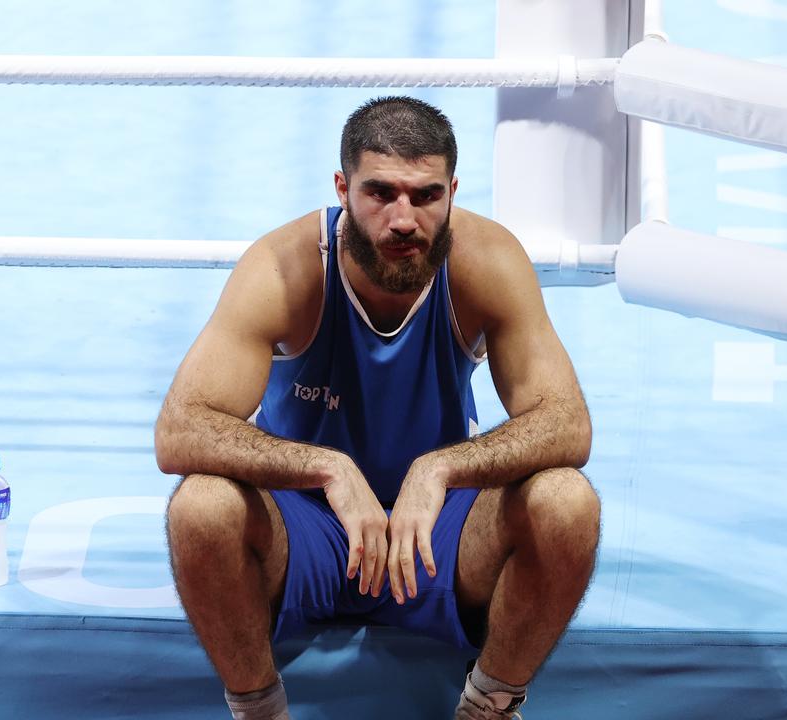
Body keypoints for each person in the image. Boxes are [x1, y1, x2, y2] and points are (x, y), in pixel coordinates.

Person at [154, 96, 599, 720]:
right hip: (306, 528)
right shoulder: (285, 268)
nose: (403, 219)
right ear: (342, 188)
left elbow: (566, 423)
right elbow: (180, 430)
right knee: (200, 507)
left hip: (436, 535)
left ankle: (488, 707)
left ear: (452, 191)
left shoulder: (486, 259)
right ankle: (260, 711)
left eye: (425, 196)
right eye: (380, 193)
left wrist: (437, 470)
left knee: (566, 501)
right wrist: (330, 470)